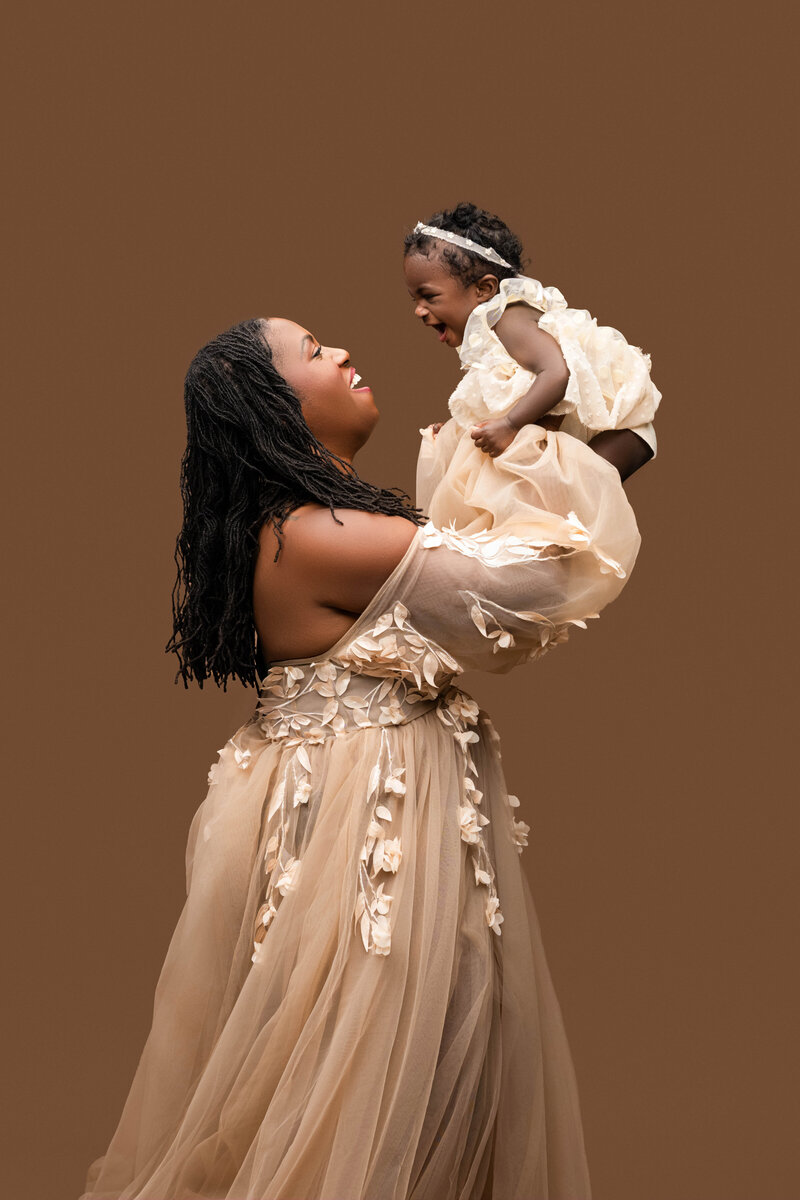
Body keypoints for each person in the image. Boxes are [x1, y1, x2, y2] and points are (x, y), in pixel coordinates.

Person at [80, 314, 645, 1200]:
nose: (341, 351)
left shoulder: (312, 525)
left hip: (363, 814)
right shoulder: (319, 536)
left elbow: (483, 554)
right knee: (371, 1088)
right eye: (312, 352)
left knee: (403, 1088)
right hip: (369, 839)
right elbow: (529, 586)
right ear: (273, 408)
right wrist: (611, 450)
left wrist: (560, 452)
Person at [404, 203, 660, 542]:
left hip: (624, 430)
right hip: (601, 429)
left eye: (429, 297)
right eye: (414, 299)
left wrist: (509, 425)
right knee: (541, 515)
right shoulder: (498, 323)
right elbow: (513, 390)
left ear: (484, 289)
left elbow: (556, 373)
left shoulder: (508, 319)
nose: (419, 311)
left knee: (555, 519)